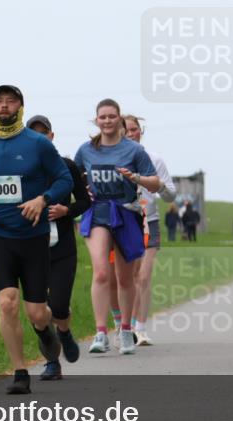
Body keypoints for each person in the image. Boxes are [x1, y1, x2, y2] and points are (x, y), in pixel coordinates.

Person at [0, 85, 73, 395]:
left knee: (36, 312)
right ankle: (20, 371)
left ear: (20, 108)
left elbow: (64, 179)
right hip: (0, 237)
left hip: (34, 239)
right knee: (7, 302)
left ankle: (47, 329)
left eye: (10, 101)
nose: (4, 106)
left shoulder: (38, 144)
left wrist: (43, 199)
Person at [74, 99, 160, 355]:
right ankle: (100, 333)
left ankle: (125, 330)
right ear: (96, 120)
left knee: (124, 278)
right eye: (103, 117)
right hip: (98, 212)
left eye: (112, 117)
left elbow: (154, 183)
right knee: (101, 273)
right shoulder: (86, 150)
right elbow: (72, 176)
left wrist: (136, 178)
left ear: (119, 120)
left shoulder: (133, 151)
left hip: (126, 213)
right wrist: (82, 191)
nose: (107, 121)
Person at [27, 114, 92, 381]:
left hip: (62, 246)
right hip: (31, 247)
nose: (40, 138)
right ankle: (52, 363)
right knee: (38, 310)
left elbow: (85, 202)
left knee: (59, 305)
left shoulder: (66, 166)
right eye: (35, 134)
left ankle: (64, 332)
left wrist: (67, 210)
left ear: (52, 137)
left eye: (45, 133)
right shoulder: (23, 171)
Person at [123, 114, 177, 345]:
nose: (131, 134)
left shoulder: (154, 159)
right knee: (126, 278)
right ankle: (124, 327)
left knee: (143, 277)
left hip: (149, 221)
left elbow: (171, 195)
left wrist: (158, 185)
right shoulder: (114, 159)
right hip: (124, 222)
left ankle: (140, 328)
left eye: (134, 129)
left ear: (140, 131)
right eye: (126, 130)